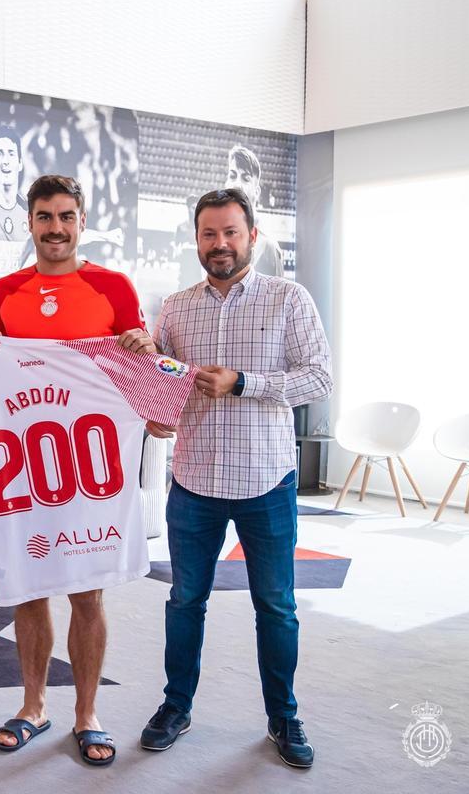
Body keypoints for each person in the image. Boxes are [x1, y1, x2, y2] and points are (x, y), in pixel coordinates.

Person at [140, 188, 332, 768]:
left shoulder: (288, 299)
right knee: (184, 602)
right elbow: (162, 379)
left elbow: (319, 377)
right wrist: (156, 410)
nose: (219, 244)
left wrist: (245, 382)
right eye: (208, 234)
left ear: (252, 235)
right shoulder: (174, 307)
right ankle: (176, 707)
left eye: (230, 232)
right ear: (195, 239)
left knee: (275, 605)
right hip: (194, 481)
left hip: (265, 483)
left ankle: (284, 716)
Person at [0, 174, 156, 766]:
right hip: (27, 464)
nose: (56, 228)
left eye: (66, 216)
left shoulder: (113, 287)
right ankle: (34, 705)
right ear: (29, 222)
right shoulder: (6, 290)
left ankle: (87, 712)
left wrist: (140, 351)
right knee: (28, 592)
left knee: (86, 592)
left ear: (81, 221)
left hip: (90, 466)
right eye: (45, 217)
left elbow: (139, 375)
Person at [0, 131, 122, 323]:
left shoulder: (31, 212)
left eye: (10, 154)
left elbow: (63, 235)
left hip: (7, 324)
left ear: (19, 163)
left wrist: (106, 236)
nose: (5, 160)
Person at [225, 145, 284, 277]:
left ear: (257, 192)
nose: (237, 184)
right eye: (233, 176)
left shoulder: (268, 247)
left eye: (245, 178)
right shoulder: (217, 239)